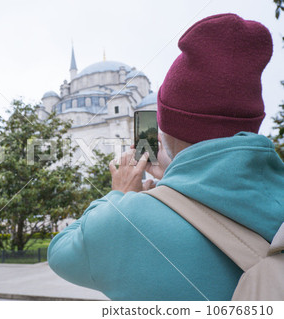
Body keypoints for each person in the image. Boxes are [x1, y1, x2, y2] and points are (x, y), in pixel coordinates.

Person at [47, 13, 284, 301]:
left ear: (166, 130)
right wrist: (176, 178)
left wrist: (119, 196)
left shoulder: (127, 222)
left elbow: (61, 253)